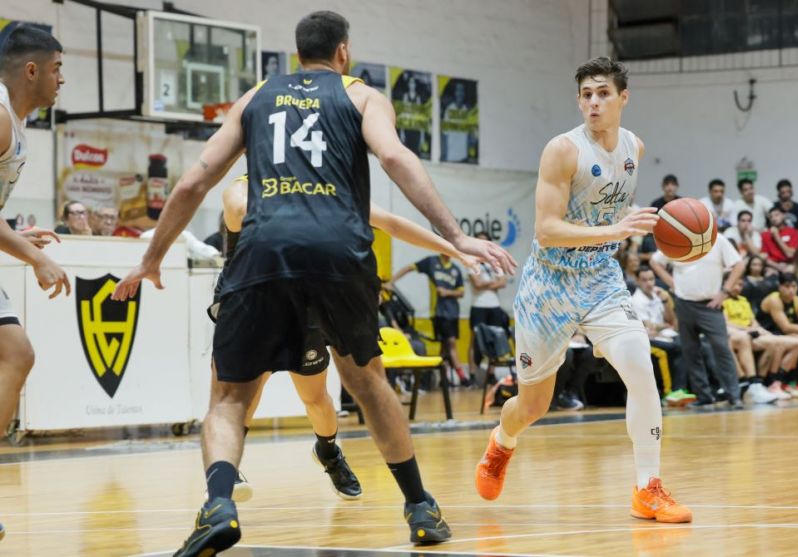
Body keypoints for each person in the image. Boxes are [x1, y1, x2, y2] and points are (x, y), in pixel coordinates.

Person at [112, 11, 515, 554]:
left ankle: (219, 505)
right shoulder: (361, 96)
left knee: (229, 398)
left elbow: (192, 181)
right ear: (343, 51)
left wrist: (151, 259)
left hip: (262, 252)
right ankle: (419, 507)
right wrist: (457, 235)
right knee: (367, 383)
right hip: (337, 250)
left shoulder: (256, 97)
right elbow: (394, 157)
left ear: (296, 53)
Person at [475, 57, 692, 525]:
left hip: (600, 279)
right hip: (549, 284)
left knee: (641, 369)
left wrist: (652, 223)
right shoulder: (562, 150)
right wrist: (617, 229)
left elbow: (610, 209)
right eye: (586, 95)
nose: (593, 102)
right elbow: (548, 230)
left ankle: (647, 488)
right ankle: (501, 442)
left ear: (623, 98)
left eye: (603, 93)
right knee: (533, 406)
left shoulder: (634, 146)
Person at [214, 173, 481, 503]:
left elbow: (391, 222)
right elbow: (242, 213)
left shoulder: (322, 186)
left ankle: (328, 452)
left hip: (303, 305)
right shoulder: (242, 189)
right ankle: (227, 470)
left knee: (316, 399)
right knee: (243, 395)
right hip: (254, 303)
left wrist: (455, 247)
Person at [0, 25, 72, 541]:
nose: (61, 79)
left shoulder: (15, 121)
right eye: (56, 68)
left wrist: (16, 236)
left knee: (16, 354)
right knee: (16, 353)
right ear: (31, 70)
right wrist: (34, 257)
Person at [651, 233, 746, 410]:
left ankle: (734, 396)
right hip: (684, 303)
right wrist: (673, 284)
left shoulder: (718, 239)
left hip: (711, 304)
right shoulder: (677, 238)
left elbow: (739, 264)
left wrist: (725, 292)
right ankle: (703, 396)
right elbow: (655, 261)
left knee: (722, 349)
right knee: (690, 351)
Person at [390, 254, 471, 386]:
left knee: (445, 347)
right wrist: (391, 282)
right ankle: (462, 377)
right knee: (450, 344)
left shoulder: (455, 269)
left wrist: (447, 292)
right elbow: (409, 268)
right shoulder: (431, 262)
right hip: (438, 312)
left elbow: (461, 292)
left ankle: (443, 379)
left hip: (453, 313)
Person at [722, 279, 798, 403]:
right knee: (745, 338)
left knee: (776, 342)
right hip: (735, 334)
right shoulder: (722, 300)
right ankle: (749, 384)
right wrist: (748, 329)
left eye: (740, 284)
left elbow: (754, 322)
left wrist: (761, 331)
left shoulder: (744, 301)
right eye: (734, 284)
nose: (737, 287)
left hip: (750, 333)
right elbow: (725, 323)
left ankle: (761, 383)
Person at [631, 267, 693, 406]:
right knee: (676, 348)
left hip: (664, 335)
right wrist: (664, 325)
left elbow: (672, 321)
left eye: (651, 279)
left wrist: (665, 302)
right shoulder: (635, 301)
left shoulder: (658, 294)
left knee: (689, 343)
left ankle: (686, 389)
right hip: (647, 338)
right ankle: (671, 391)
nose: (649, 283)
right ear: (637, 281)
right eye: (644, 280)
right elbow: (650, 326)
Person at [467, 231, 510, 380]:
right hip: (478, 306)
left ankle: (491, 374)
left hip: (494, 306)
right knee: (474, 340)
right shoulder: (471, 261)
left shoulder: (495, 262)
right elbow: (477, 284)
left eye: (484, 241)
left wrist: (486, 283)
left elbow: (503, 282)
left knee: (495, 339)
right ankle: (472, 373)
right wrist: (493, 283)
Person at [761, 206, 798, 272]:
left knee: (790, 270)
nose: (774, 218)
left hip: (790, 264)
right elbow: (764, 256)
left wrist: (777, 237)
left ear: (783, 215)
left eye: (776, 215)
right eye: (771, 217)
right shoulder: (765, 235)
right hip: (773, 265)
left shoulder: (793, 232)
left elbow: (790, 254)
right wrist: (778, 266)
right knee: (769, 272)